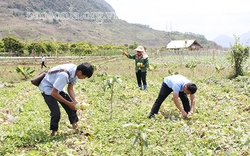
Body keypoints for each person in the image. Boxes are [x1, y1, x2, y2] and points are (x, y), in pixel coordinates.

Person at [38, 62, 94, 136]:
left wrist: (75, 101)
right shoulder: (64, 75)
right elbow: (53, 93)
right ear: (80, 72)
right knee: (56, 112)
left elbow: (70, 89)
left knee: (72, 108)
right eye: (84, 76)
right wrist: (69, 103)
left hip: (57, 86)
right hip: (47, 87)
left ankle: (75, 128)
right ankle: (53, 132)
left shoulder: (75, 72)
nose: (84, 78)